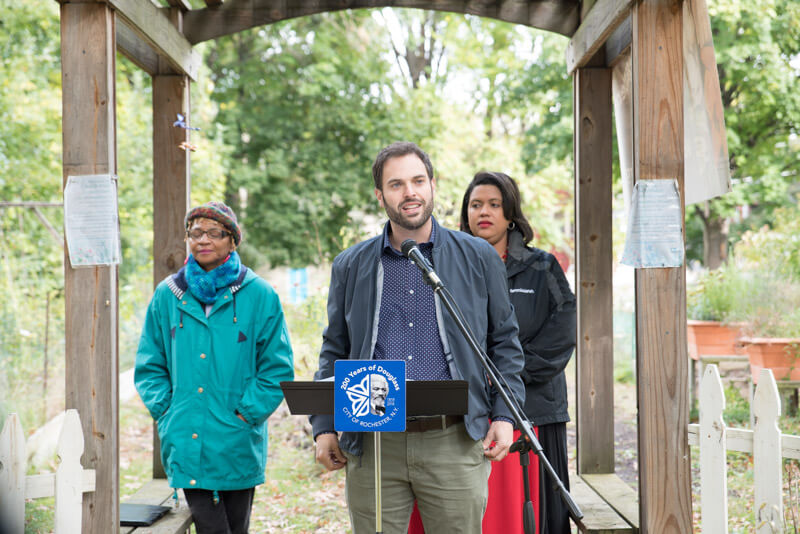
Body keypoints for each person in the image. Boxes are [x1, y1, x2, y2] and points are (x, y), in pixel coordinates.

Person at [310, 142, 525, 534]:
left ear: (432, 186)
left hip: (454, 438)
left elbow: (505, 344)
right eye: (396, 184)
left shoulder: (478, 257)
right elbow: (334, 348)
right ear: (380, 195)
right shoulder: (350, 265)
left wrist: (505, 416)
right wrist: (324, 426)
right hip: (374, 437)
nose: (409, 192)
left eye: (417, 181)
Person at [135, 201, 294, 534]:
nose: (202, 240)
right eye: (195, 233)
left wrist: (245, 414)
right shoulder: (168, 296)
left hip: (236, 439)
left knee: (237, 528)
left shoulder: (260, 296)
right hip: (186, 436)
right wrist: (168, 410)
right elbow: (150, 366)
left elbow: (276, 370)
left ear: (232, 241)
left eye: (213, 233)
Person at [462, 172, 576, 534]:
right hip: (472, 412)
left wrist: (508, 377)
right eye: (476, 204)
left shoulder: (541, 267)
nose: (484, 212)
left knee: (534, 517)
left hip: (536, 410)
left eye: (494, 205)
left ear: (510, 214)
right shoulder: (450, 269)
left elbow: (563, 332)